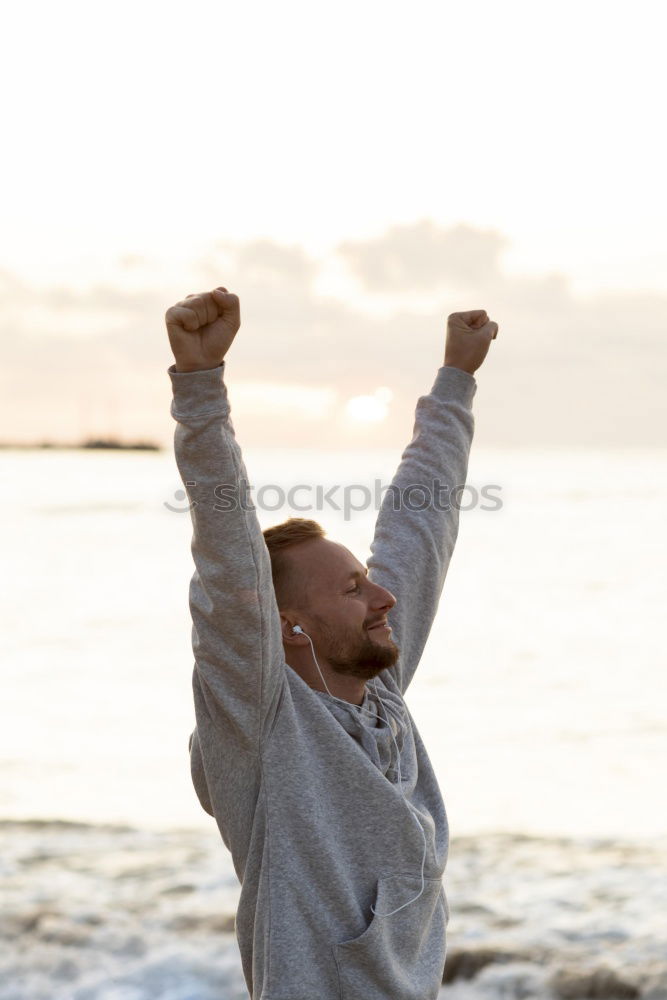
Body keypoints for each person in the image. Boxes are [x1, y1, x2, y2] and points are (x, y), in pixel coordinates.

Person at [166, 287, 498, 1000]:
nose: (382, 598)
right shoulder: (259, 729)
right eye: (351, 590)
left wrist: (455, 382)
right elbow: (226, 560)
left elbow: (420, 528)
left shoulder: (378, 693)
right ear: (285, 627)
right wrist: (199, 387)